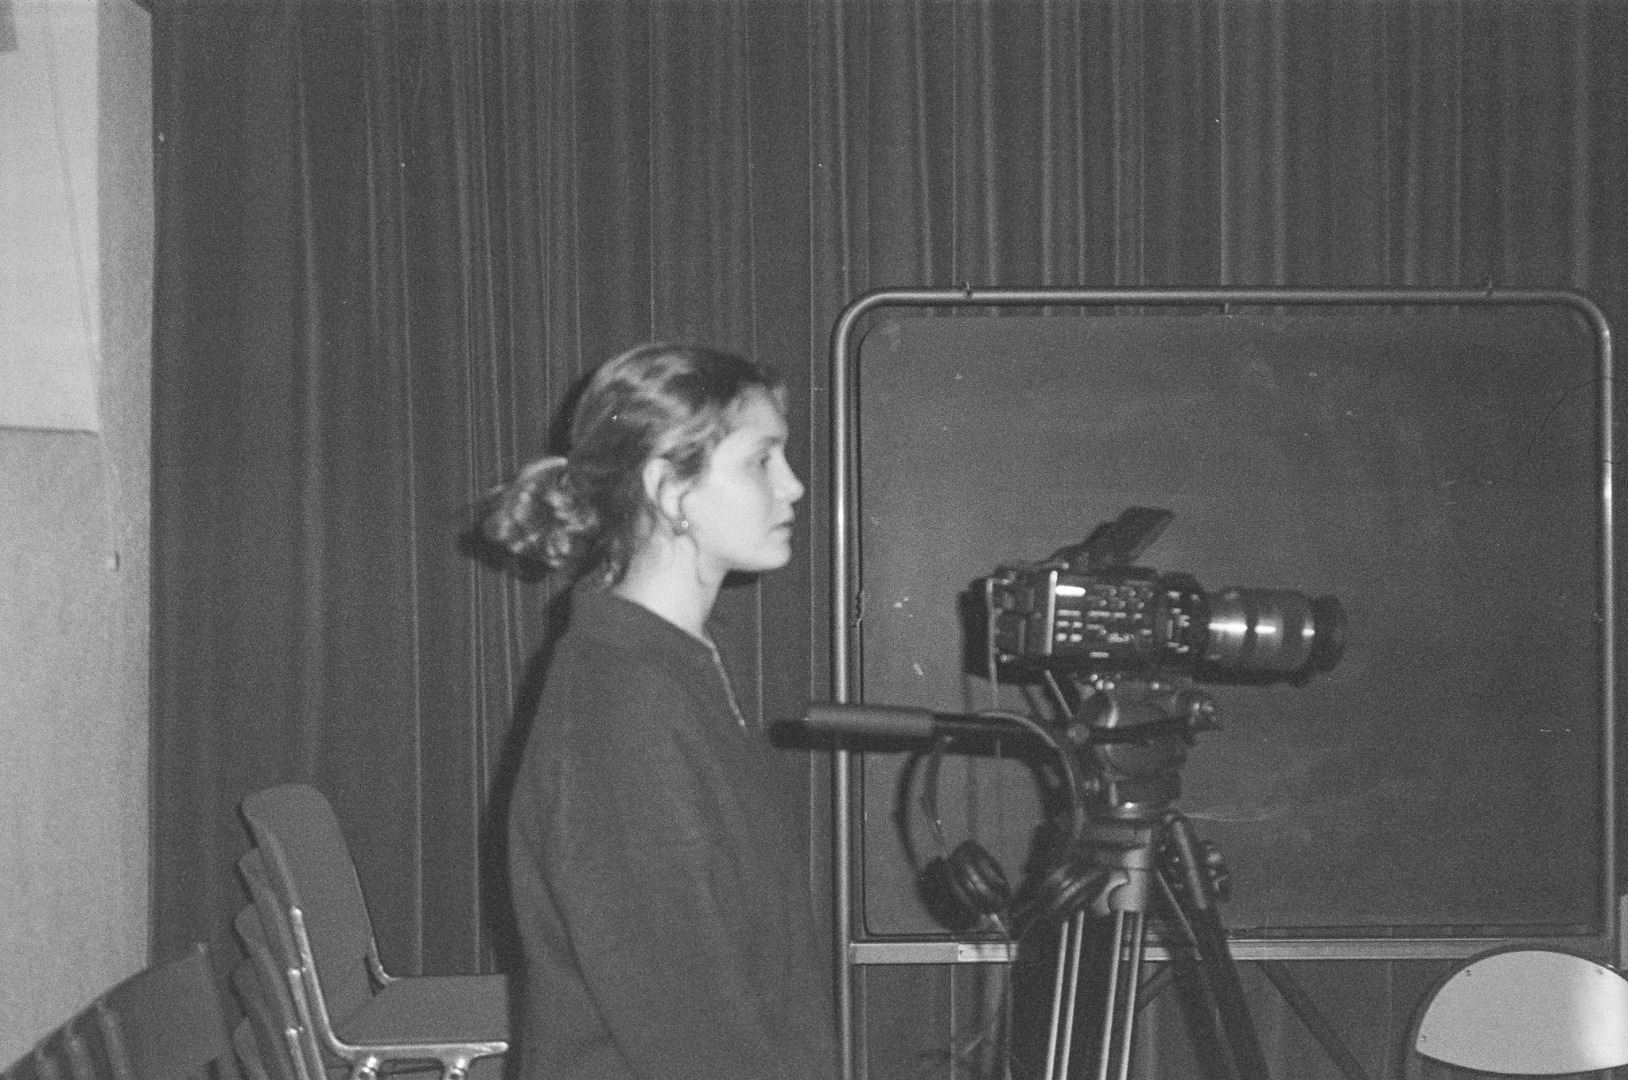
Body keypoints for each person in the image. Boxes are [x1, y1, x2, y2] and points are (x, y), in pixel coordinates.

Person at [484, 343, 838, 1080]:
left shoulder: (669, 665)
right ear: (667, 487)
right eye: (761, 461)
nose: (794, 485)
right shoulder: (623, 711)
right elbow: (692, 1033)